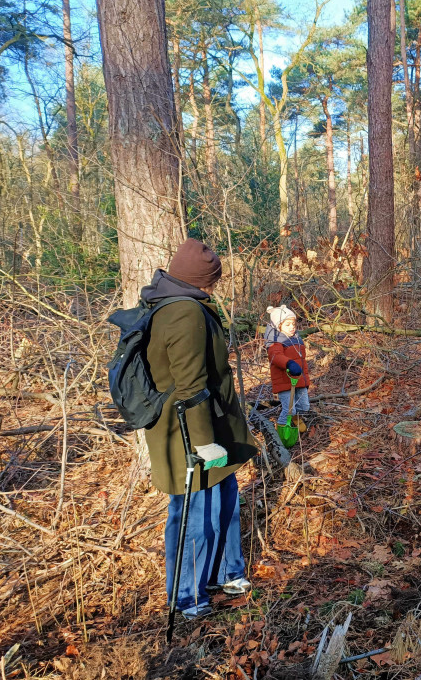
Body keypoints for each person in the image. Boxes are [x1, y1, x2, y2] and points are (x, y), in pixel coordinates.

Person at [141, 238, 257, 619]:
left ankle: (228, 573)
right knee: (195, 514)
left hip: (212, 424)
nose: (214, 288)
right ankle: (189, 597)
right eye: (212, 281)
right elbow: (190, 387)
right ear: (199, 280)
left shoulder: (182, 303)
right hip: (188, 435)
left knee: (225, 497)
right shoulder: (183, 312)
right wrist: (204, 445)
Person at [265, 304, 312, 428]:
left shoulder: (296, 338)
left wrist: (305, 379)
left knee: (304, 406)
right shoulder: (276, 341)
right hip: (285, 381)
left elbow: (302, 360)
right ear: (278, 326)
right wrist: (289, 363)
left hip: (298, 378)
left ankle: (297, 419)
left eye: (293, 324)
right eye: (287, 325)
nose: (292, 327)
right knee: (289, 409)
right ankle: (280, 430)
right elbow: (275, 356)